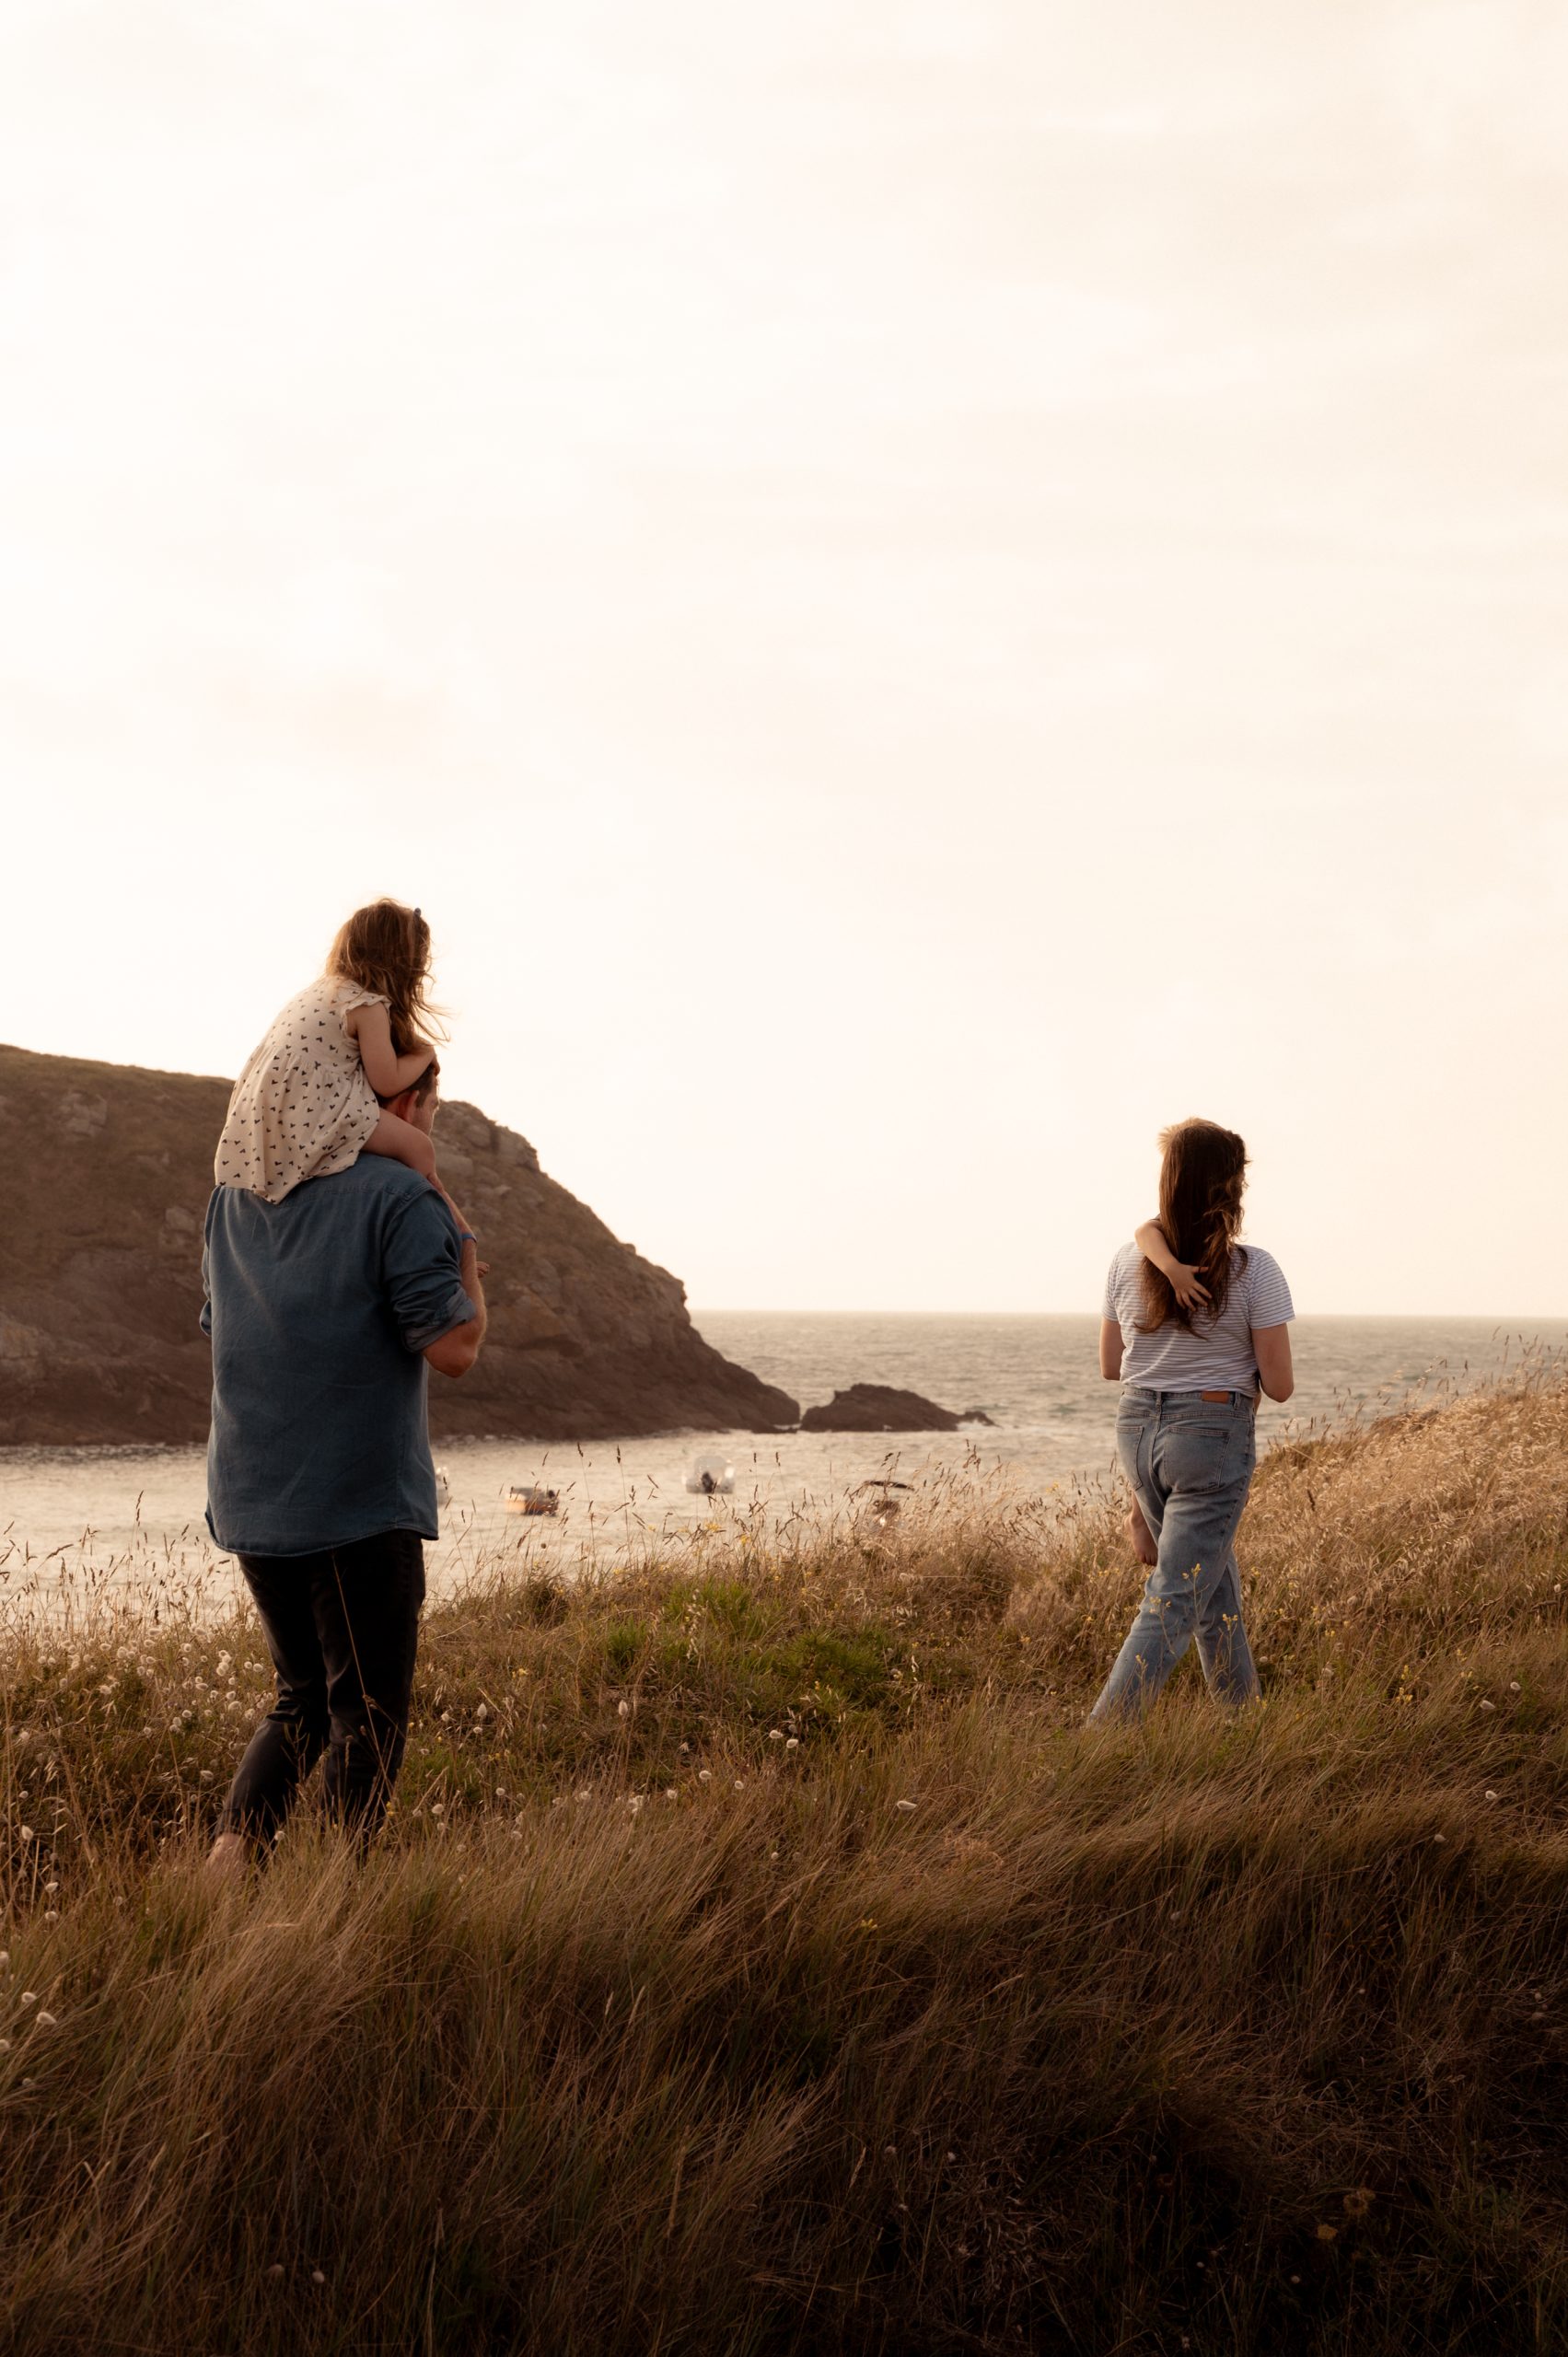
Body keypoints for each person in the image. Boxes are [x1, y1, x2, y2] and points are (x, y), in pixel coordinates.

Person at [201, 1055, 486, 1870]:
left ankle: (229, 1868)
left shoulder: (233, 1197)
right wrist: (466, 1261)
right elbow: (455, 1348)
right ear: (404, 1098)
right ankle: (336, 1903)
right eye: (433, 1102)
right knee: (366, 1712)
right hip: (358, 1500)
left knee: (301, 1700)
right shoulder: (403, 1197)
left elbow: (218, 1325)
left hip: (253, 1492)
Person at [1089, 1118, 1295, 1722]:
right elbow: (1279, 1387)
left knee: (1212, 1590)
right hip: (1207, 1437)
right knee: (1174, 1601)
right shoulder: (1254, 1270)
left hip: (1136, 1432)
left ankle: (1244, 1722)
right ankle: (1098, 1743)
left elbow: (1109, 1364)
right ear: (1230, 1188)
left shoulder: (1127, 1262)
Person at [213, 899, 446, 1202]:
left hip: (265, 1116)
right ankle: (433, 1211)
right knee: (419, 1148)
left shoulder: (319, 992)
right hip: (314, 1110)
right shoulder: (366, 1004)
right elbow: (387, 1080)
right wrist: (425, 1052)